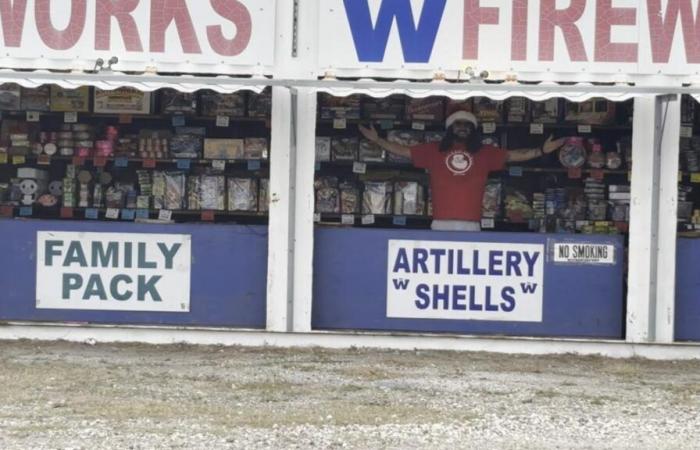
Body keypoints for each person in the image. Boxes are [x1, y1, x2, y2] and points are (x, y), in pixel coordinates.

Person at [359, 110, 565, 231]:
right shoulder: (433, 151)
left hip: (472, 224)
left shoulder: (484, 153)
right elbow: (403, 151)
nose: (463, 127)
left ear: (473, 129)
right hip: (440, 223)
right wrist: (378, 140)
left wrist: (540, 150)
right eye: (458, 123)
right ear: (450, 127)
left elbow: (513, 155)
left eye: (468, 124)